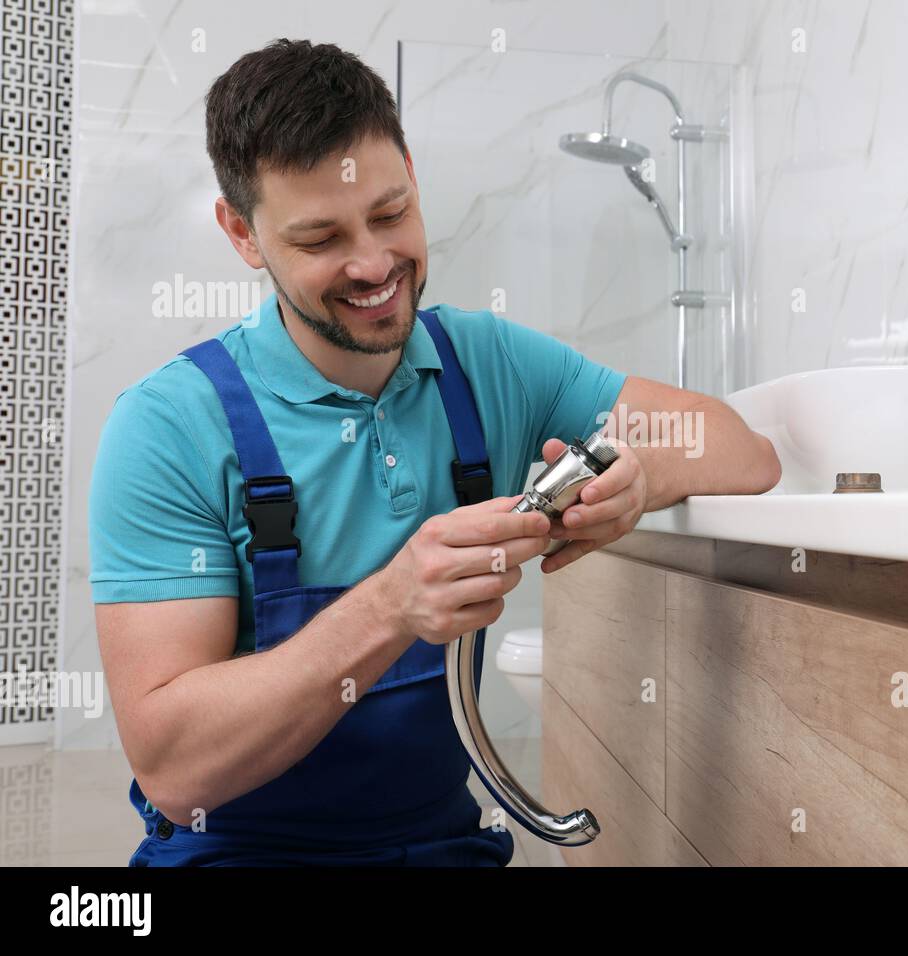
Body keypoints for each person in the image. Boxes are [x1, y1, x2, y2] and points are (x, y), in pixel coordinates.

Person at [88, 38, 781, 866]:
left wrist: (634, 478)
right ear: (242, 232)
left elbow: (744, 452)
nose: (376, 265)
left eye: (389, 214)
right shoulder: (169, 427)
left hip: (437, 847)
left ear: (412, 174)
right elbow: (174, 768)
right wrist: (387, 608)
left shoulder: (490, 364)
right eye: (320, 239)